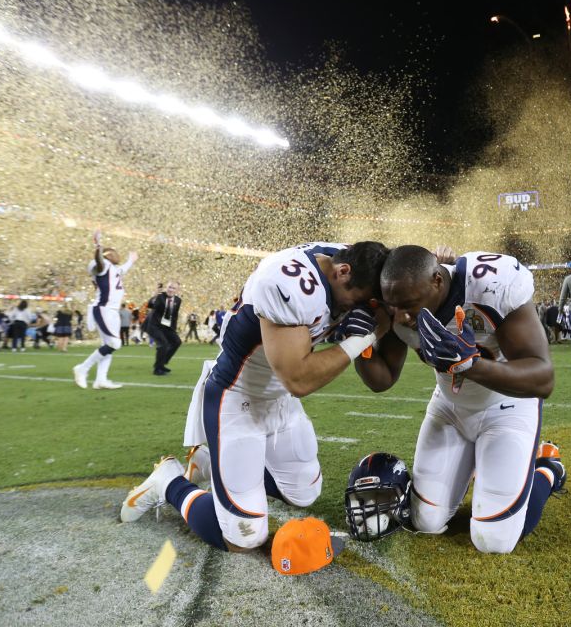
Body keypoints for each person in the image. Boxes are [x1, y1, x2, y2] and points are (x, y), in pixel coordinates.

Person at [118, 241, 391, 555]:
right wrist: (364, 338)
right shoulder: (291, 285)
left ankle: (210, 463)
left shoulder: (350, 259)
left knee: (304, 492)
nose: (359, 309)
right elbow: (298, 378)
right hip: (237, 398)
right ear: (343, 272)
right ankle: (168, 482)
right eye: (358, 302)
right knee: (244, 538)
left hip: (279, 398)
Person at [353, 245, 566, 554]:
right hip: (450, 407)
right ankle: (475, 467)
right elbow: (381, 379)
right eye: (393, 306)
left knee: (493, 540)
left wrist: (472, 365)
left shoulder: (491, 287)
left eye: (409, 305)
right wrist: (360, 343)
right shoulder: (397, 303)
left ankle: (547, 468)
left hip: (506, 407)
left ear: (437, 281)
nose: (401, 316)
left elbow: (543, 378)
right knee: (426, 521)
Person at [73, 231, 137, 390]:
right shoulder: (102, 265)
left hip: (112, 311)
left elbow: (124, 268)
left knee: (108, 345)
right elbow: (98, 262)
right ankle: (82, 368)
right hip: (104, 309)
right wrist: (98, 246)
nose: (117, 254)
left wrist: (131, 260)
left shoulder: (114, 269)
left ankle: (100, 379)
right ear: (107, 255)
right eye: (113, 252)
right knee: (115, 343)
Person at [145, 280, 184, 376]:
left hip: (167, 327)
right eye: (169, 287)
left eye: (173, 288)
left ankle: (162, 363)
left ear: (177, 290)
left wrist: (174, 330)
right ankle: (157, 369)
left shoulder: (178, 301)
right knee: (163, 344)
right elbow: (150, 305)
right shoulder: (160, 296)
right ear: (166, 288)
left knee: (177, 341)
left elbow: (174, 316)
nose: (171, 289)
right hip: (155, 325)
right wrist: (155, 293)